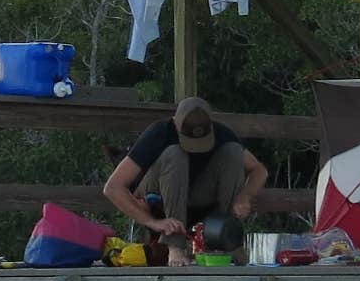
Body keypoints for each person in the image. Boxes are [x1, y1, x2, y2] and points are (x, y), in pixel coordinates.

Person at [103, 96, 268, 264]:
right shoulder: (159, 132)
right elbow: (113, 188)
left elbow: (259, 170)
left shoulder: (222, 133)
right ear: (175, 123)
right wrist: (152, 222)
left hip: (195, 198)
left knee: (233, 151)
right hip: (155, 199)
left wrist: (244, 196)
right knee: (175, 154)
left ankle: (222, 240)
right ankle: (174, 246)